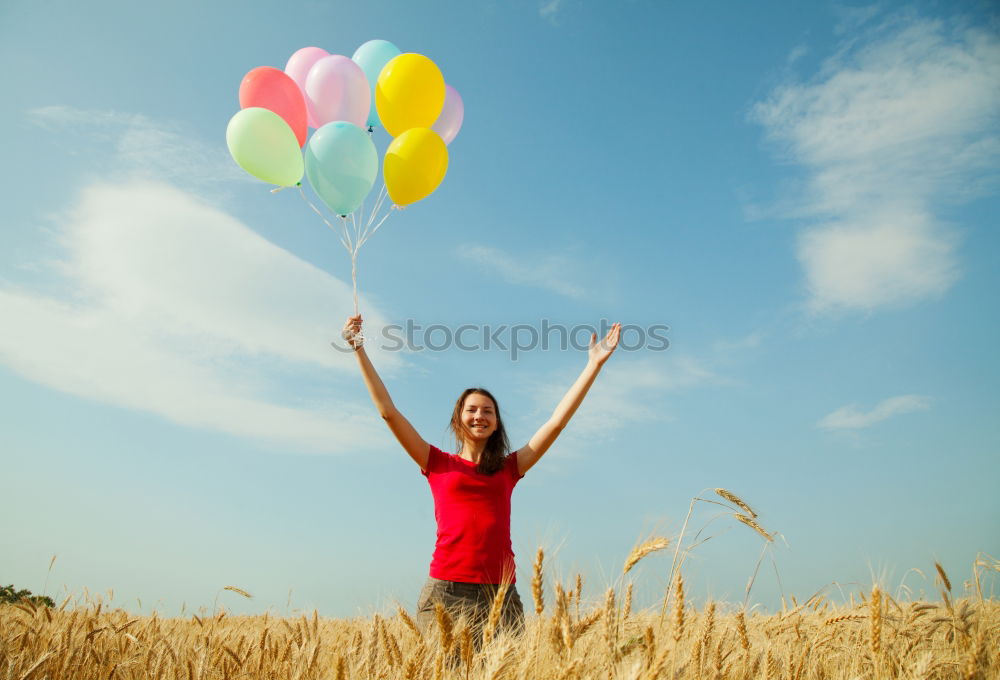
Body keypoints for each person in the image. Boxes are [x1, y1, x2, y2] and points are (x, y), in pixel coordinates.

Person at [342, 315, 621, 639]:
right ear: (458, 419)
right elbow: (388, 412)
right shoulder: (435, 462)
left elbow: (556, 423)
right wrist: (358, 348)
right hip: (445, 594)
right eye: (471, 409)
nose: (480, 416)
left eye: (488, 411)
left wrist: (594, 365)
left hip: (500, 595)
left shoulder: (509, 468)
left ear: (497, 423)